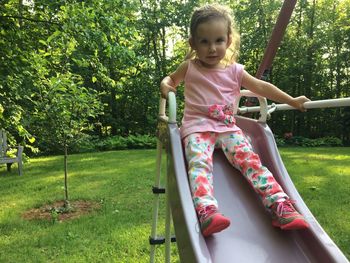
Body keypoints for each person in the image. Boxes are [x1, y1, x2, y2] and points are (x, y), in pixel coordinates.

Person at [160, 4, 310, 237]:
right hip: (197, 128)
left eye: (218, 40)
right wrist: (166, 85)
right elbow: (171, 80)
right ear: (193, 44)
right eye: (204, 41)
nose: (212, 48)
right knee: (199, 163)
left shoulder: (235, 71)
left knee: (250, 161)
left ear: (228, 40)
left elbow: (261, 87)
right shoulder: (189, 67)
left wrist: (292, 100)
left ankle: (280, 205)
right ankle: (206, 211)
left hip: (227, 128)